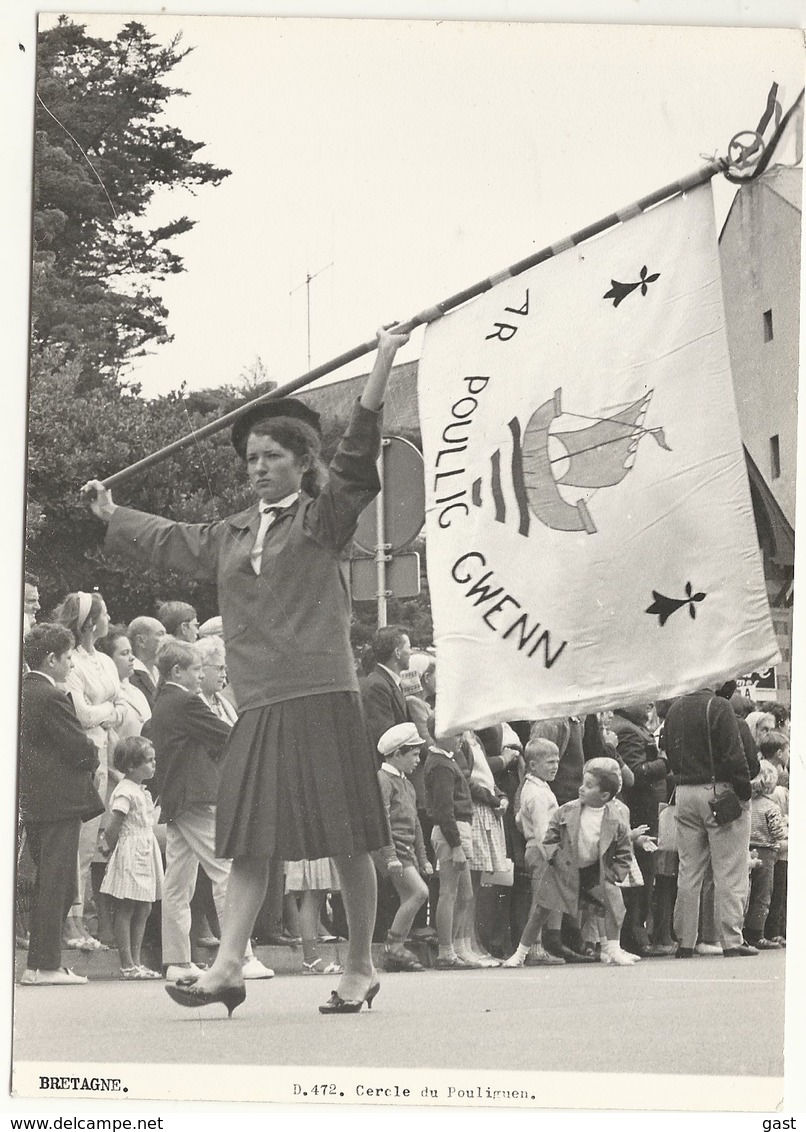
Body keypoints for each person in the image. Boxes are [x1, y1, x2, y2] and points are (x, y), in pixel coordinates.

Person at [82, 324, 410, 1016]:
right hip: (259, 699)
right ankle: (228, 966)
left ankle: (359, 963)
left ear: (301, 463)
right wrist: (114, 515)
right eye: (252, 457)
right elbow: (170, 541)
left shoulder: (324, 519)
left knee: (350, 837)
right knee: (253, 837)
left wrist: (382, 363)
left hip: (323, 690)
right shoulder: (230, 533)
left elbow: (356, 459)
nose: (257, 467)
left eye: (272, 457)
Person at [148, 639, 273, 983]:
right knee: (225, 872)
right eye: (196, 670)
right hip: (198, 797)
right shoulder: (187, 702)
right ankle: (241, 955)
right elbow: (226, 735)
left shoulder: (162, 702)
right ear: (177, 671)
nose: (199, 675)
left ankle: (177, 959)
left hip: (177, 800)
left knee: (177, 883)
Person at [18, 625, 104, 986]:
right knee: (57, 882)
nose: (70, 663)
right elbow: (80, 747)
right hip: (59, 803)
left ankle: (43, 962)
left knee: (51, 881)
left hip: (37, 800)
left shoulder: (23, 690)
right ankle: (44, 964)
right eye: (67, 656)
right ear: (51, 659)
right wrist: (94, 755)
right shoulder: (51, 695)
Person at [503, 759, 634, 968]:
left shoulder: (616, 819)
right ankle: (520, 953)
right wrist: (554, 858)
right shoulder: (567, 810)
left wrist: (616, 874)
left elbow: (625, 850)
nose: (582, 788)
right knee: (540, 910)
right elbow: (550, 837)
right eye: (583, 783)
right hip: (562, 868)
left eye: (589, 786)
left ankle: (614, 950)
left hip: (594, 871)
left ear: (605, 796)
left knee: (614, 902)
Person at [54, 590, 126, 951]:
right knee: (78, 842)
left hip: (106, 758)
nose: (109, 619)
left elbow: (123, 705)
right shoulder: (73, 663)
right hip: (84, 757)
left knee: (89, 848)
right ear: (89, 623)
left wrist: (106, 709)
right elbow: (80, 715)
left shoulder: (106, 662)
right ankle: (70, 921)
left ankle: (80, 920)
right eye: (105, 613)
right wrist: (107, 709)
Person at [663, 688, 757, 958]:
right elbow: (733, 753)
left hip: (684, 792)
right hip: (719, 791)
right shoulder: (718, 706)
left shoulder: (674, 708)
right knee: (729, 869)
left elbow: (669, 750)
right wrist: (743, 792)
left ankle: (685, 940)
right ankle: (731, 940)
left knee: (689, 870)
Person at [99, 736, 164, 979]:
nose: (154, 764)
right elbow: (114, 825)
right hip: (131, 850)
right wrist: (110, 847)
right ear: (130, 767)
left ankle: (136, 962)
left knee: (144, 906)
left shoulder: (140, 790)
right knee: (127, 906)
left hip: (145, 850)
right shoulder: (125, 791)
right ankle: (127, 963)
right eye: (148, 761)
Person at [374, 722, 432, 973]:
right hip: (393, 850)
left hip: (406, 851)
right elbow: (382, 818)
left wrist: (423, 857)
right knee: (419, 892)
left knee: (410, 895)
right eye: (414, 754)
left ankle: (395, 949)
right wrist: (389, 854)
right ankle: (394, 945)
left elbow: (416, 823)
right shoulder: (383, 779)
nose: (417, 760)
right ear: (397, 754)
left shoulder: (407, 783)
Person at [423, 724, 476, 970]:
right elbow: (444, 809)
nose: (461, 740)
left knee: (465, 894)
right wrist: (455, 845)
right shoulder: (441, 764)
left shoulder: (445, 760)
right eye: (455, 735)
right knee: (449, 892)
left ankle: (451, 948)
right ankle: (445, 951)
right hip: (450, 832)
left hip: (457, 829)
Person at [512, 737, 564, 966]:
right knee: (540, 900)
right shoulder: (538, 794)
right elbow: (544, 831)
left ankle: (537, 946)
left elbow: (518, 819)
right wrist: (553, 856)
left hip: (535, 848)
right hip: (541, 851)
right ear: (532, 764)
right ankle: (534, 947)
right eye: (549, 762)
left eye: (557, 761)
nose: (555, 766)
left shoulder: (534, 787)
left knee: (543, 899)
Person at [743, 760, 786, 950]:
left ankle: (744, 930)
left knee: (747, 894)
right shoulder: (771, 807)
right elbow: (778, 833)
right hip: (767, 852)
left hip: (748, 849)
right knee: (762, 895)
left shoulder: (746, 804)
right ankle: (757, 934)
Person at [285, 859, 343, 976]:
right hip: (312, 850)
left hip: (311, 849)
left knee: (315, 896)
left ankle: (311, 958)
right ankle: (310, 959)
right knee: (312, 894)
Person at [361, 625, 412, 757]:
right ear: (397, 653)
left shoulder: (389, 682)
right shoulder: (378, 686)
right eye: (409, 647)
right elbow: (386, 738)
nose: (411, 652)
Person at [126, 616, 167, 709]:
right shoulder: (129, 675)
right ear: (141, 641)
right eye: (160, 634)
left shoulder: (162, 672)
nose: (166, 640)